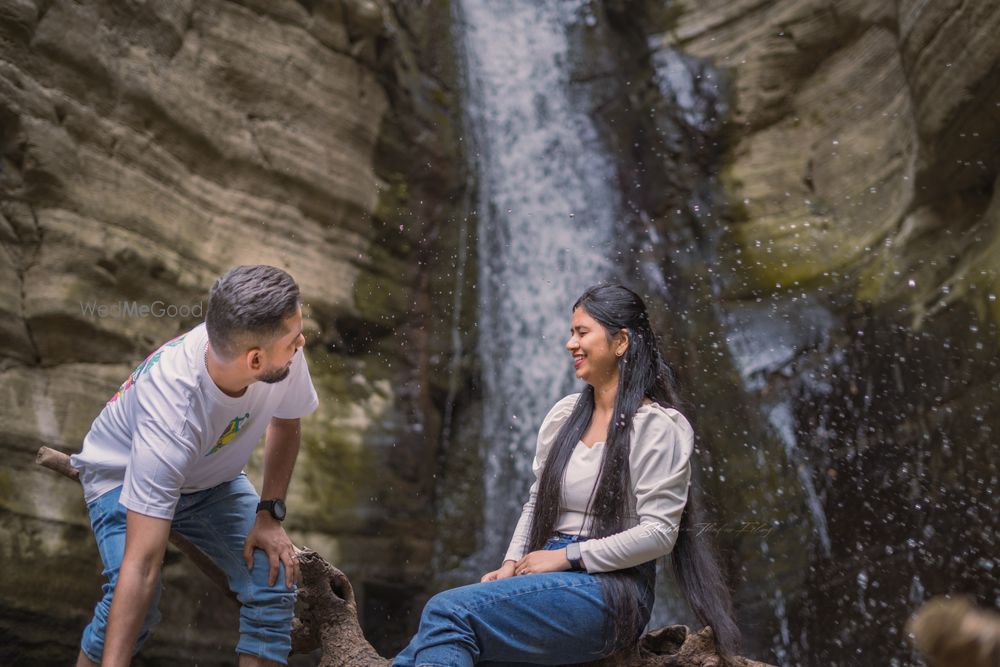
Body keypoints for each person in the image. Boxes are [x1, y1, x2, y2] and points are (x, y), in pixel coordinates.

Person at [393, 284, 741, 666]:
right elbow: (536, 501)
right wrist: (512, 563)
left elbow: (659, 533)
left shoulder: (656, 427)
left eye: (581, 332)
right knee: (415, 654)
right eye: (571, 332)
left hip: (613, 591)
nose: (569, 344)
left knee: (447, 612)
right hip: (545, 575)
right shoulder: (565, 416)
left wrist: (567, 558)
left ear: (621, 341)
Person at [69, 265, 320, 667]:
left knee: (273, 581)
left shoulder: (280, 350)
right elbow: (143, 565)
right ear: (255, 360)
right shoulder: (172, 409)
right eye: (294, 339)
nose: (302, 342)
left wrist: (269, 514)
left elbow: (287, 422)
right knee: (137, 597)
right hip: (124, 475)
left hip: (209, 479)